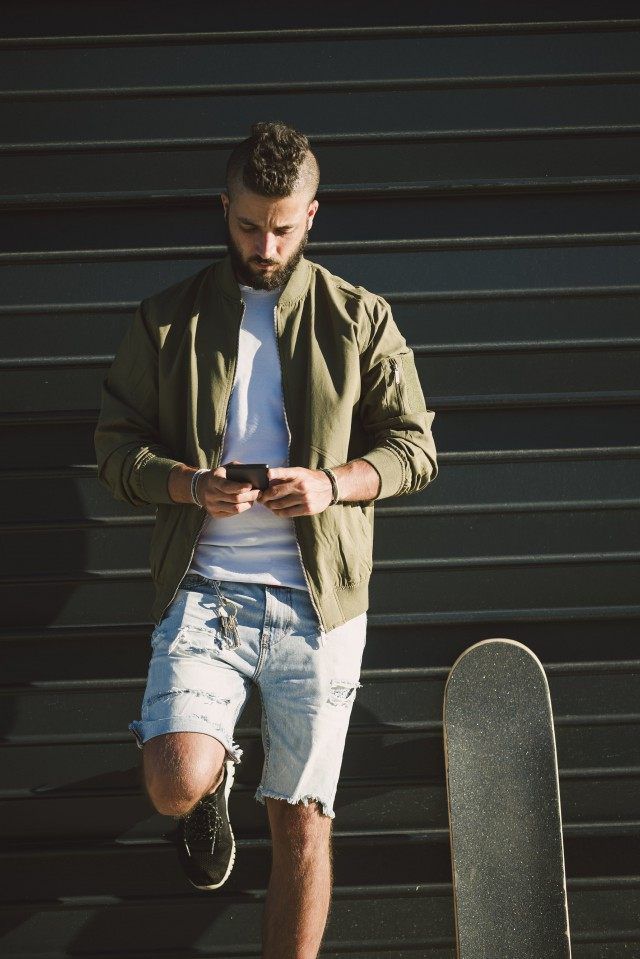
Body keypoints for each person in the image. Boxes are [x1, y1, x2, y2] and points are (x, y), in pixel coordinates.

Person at [94, 120, 438, 959]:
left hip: (319, 608)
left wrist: (331, 483)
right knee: (173, 780)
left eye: (283, 227)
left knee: (302, 821)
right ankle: (212, 783)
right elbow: (115, 445)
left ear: (311, 214)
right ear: (224, 208)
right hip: (204, 592)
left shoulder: (360, 317)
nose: (266, 244)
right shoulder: (167, 319)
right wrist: (190, 484)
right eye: (249, 225)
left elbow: (414, 449)